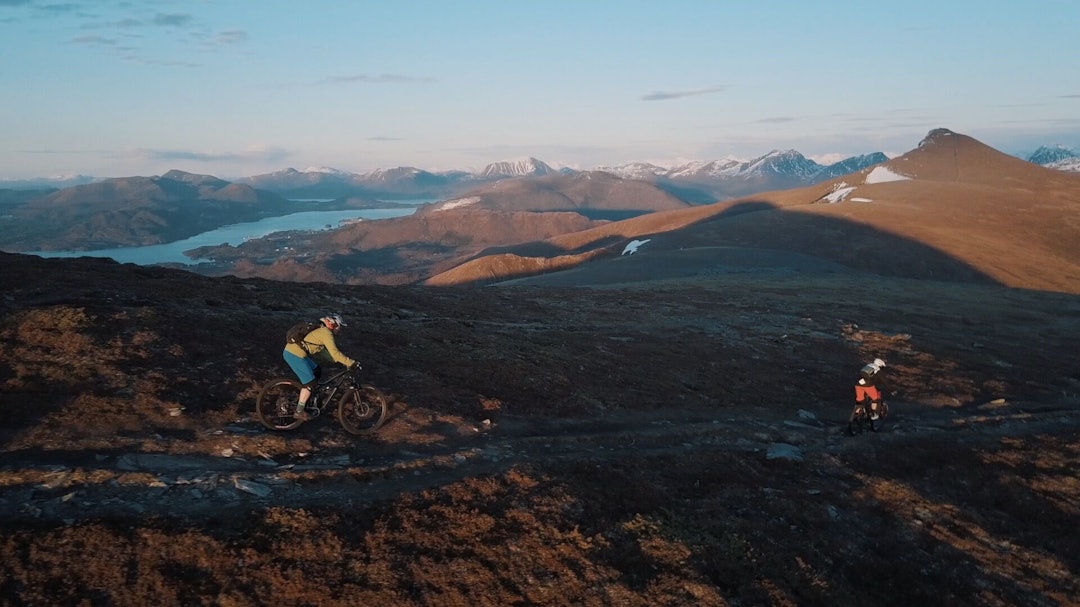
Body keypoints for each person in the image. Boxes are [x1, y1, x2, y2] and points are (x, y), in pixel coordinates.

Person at [282, 314, 359, 420]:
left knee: (317, 370)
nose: (339, 330)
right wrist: (351, 362)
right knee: (310, 383)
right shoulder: (326, 333)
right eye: (339, 327)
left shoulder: (321, 331)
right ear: (333, 324)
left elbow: (326, 354)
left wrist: (342, 362)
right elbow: (335, 353)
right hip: (294, 355)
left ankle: (309, 400)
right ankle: (299, 411)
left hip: (295, 353)